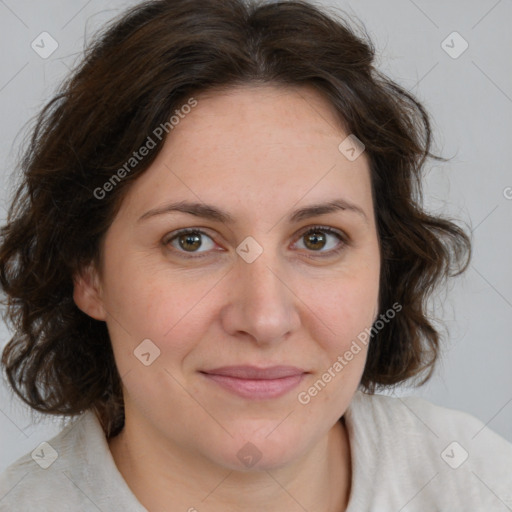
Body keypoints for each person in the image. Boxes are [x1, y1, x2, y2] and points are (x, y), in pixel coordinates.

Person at [0, 0, 510, 510]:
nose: (265, 319)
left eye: (318, 239)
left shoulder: (479, 482)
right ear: (88, 272)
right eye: (191, 241)